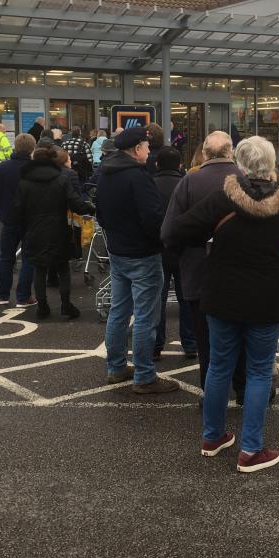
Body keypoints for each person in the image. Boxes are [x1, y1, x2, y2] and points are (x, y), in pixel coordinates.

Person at [164, 136, 279, 473]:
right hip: (265, 297)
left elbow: (175, 232)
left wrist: (207, 241)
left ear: (240, 163)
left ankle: (212, 437)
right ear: (272, 163)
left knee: (218, 365)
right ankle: (251, 450)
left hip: (222, 293)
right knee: (259, 371)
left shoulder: (223, 197)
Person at [162, 131, 245, 396]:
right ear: (231, 152)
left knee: (206, 340)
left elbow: (168, 232)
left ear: (205, 154)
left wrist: (182, 252)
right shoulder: (246, 181)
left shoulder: (189, 182)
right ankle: (243, 388)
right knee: (242, 335)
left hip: (199, 271)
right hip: (241, 272)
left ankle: (210, 395)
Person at [96, 127, 179, 394]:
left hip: (118, 251)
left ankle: (116, 366)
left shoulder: (106, 174)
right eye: (145, 146)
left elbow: (101, 213)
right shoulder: (138, 177)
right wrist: (161, 241)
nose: (148, 151)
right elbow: (153, 218)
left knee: (119, 311)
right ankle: (144, 376)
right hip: (143, 254)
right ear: (136, 149)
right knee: (145, 316)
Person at [16, 146, 93, 319]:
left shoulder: (25, 181)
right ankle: (66, 305)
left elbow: (18, 208)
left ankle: (42, 306)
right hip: (58, 228)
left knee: (39, 269)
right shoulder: (61, 178)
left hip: (34, 228)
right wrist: (90, 208)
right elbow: (75, 203)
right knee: (63, 268)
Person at [152, 146, 197, 360]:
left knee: (156, 300)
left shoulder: (150, 184)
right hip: (183, 249)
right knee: (186, 298)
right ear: (180, 165)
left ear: (157, 164)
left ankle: (156, 345)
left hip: (157, 249)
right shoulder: (187, 184)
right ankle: (189, 343)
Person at [0, 133, 36, 307]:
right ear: (32, 148)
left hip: (8, 219)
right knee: (29, 259)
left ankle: (2, 295)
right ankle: (23, 297)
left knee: (6, 258)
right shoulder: (34, 169)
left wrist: (0, 211)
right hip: (31, 220)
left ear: (14, 146)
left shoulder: (2, 168)